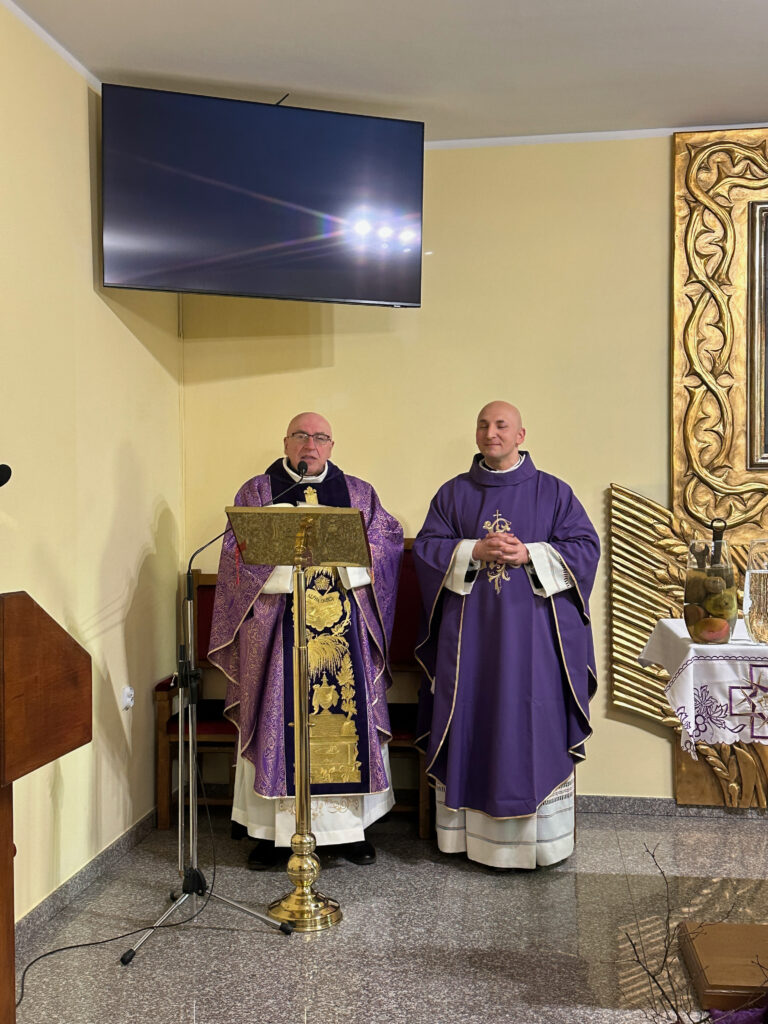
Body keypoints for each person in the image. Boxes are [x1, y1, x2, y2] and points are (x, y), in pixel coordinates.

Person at [208, 412, 403, 868]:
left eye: (319, 437)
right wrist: (284, 564)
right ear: (286, 442)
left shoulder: (359, 493)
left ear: (331, 445)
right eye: (300, 436)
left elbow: (387, 543)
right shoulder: (257, 492)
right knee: (277, 715)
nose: (309, 445)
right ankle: (271, 834)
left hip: (344, 629)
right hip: (278, 629)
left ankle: (348, 832)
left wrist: (346, 557)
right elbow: (235, 553)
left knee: (345, 719)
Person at [413, 401, 599, 870]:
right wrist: (472, 550)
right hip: (469, 642)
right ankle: (465, 839)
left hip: (534, 641)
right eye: (483, 425)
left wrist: (531, 554)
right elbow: (427, 549)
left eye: (501, 425)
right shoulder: (453, 494)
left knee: (533, 720)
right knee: (470, 717)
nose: (490, 433)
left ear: (520, 435)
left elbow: (584, 549)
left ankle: (541, 842)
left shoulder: (553, 492)